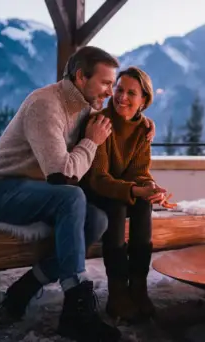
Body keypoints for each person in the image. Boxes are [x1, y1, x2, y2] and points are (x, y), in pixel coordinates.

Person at [0, 46, 153, 341]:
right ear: (82, 77)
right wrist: (91, 142)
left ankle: (27, 286)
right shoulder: (46, 104)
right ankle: (76, 308)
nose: (110, 92)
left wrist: (143, 123)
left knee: (97, 221)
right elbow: (62, 177)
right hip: (0, 189)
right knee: (73, 197)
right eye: (106, 83)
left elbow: (119, 116)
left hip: (40, 191)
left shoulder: (86, 104)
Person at [80, 66, 175, 323]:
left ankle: (138, 286)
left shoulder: (144, 129)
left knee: (143, 205)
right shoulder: (99, 122)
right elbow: (98, 178)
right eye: (119, 90)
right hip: (95, 193)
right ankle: (117, 290)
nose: (122, 97)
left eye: (131, 93)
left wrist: (150, 188)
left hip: (121, 191)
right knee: (118, 206)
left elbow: (139, 172)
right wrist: (134, 189)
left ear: (143, 100)